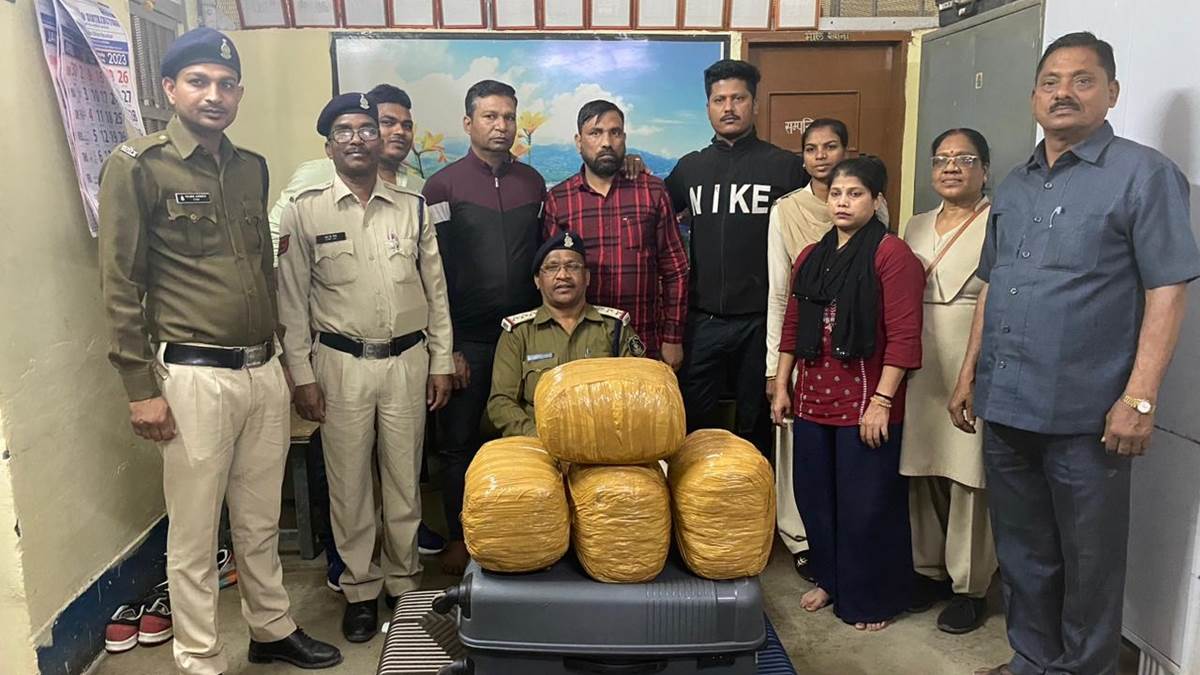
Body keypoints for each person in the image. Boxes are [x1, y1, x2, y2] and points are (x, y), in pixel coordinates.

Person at [952, 33, 1200, 675]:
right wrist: (970, 371)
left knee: (1089, 563)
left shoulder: (1145, 175)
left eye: (1082, 80)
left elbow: (1167, 289)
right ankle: (1033, 661)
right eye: (1051, 81)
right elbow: (993, 284)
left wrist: (1139, 399)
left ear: (1112, 93)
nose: (1063, 92)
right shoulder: (1014, 185)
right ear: (1034, 96)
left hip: (1088, 416)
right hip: (1007, 404)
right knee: (1023, 554)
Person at [97, 27, 341, 673]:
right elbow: (120, 284)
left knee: (259, 520)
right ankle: (200, 657)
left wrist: (285, 362)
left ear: (239, 93)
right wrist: (139, 389)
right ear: (169, 88)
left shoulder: (250, 167)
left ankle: (271, 628)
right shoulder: (138, 165)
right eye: (199, 81)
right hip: (193, 376)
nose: (214, 95)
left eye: (226, 84)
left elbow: (262, 269)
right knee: (196, 530)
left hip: (261, 369)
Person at [276, 93, 453, 642]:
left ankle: (404, 584)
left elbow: (436, 291)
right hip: (339, 365)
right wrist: (302, 376)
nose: (357, 139)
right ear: (329, 146)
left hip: (407, 361)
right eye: (344, 131)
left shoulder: (412, 206)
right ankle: (359, 589)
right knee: (349, 485)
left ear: (379, 141)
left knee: (404, 481)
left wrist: (440, 360)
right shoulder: (305, 209)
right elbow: (291, 301)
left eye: (366, 129)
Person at [770, 157, 924, 632]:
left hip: (866, 403)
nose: (842, 202)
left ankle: (872, 597)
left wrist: (882, 401)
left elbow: (904, 336)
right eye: (836, 193)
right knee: (815, 497)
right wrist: (782, 385)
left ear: (876, 200)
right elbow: (793, 325)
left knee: (866, 505)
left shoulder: (891, 255)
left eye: (855, 193)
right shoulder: (810, 257)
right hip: (812, 399)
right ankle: (831, 579)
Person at [422, 79, 547, 573]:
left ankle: (527, 535)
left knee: (528, 437)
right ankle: (461, 537)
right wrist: (447, 346)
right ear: (468, 123)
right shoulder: (442, 186)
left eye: (509, 117)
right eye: (490, 116)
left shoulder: (533, 183)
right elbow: (432, 272)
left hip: (525, 336)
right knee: (457, 444)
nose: (502, 126)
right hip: (466, 341)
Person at [764, 119, 888, 582]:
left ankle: (851, 563)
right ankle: (803, 541)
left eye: (830, 147)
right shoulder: (787, 211)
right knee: (803, 458)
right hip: (805, 351)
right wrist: (776, 370)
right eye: (812, 148)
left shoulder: (874, 212)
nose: (821, 156)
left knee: (855, 469)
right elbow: (782, 295)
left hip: (857, 357)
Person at [665, 59, 808, 446]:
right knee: (693, 425)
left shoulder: (786, 167)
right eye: (719, 100)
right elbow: (656, 211)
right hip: (703, 321)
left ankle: (756, 486)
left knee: (757, 423)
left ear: (755, 105)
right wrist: (632, 168)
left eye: (738, 98)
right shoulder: (690, 169)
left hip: (761, 322)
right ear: (708, 107)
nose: (728, 108)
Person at [900, 128, 998, 635]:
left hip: (970, 353)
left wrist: (973, 371)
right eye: (941, 159)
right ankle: (928, 570)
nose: (952, 167)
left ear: (985, 169)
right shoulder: (914, 224)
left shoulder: (999, 221)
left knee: (967, 473)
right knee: (920, 467)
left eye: (965, 159)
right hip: (919, 359)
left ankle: (969, 586)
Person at [542, 100, 688, 367]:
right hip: (579, 346)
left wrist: (673, 337)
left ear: (624, 138)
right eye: (595, 133)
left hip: (643, 342)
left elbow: (675, 270)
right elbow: (550, 280)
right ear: (579, 141)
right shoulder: (559, 200)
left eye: (615, 132)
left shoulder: (652, 192)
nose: (606, 142)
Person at [488, 231, 645, 437]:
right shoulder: (518, 332)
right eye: (552, 267)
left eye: (573, 266)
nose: (563, 275)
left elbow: (640, 391)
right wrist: (538, 437)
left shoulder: (615, 328)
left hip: (605, 441)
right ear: (537, 280)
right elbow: (501, 402)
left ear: (587, 277)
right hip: (538, 444)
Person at [269, 84, 425, 259]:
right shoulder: (317, 173)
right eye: (388, 122)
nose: (400, 131)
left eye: (407, 126)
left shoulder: (418, 188)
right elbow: (275, 234)